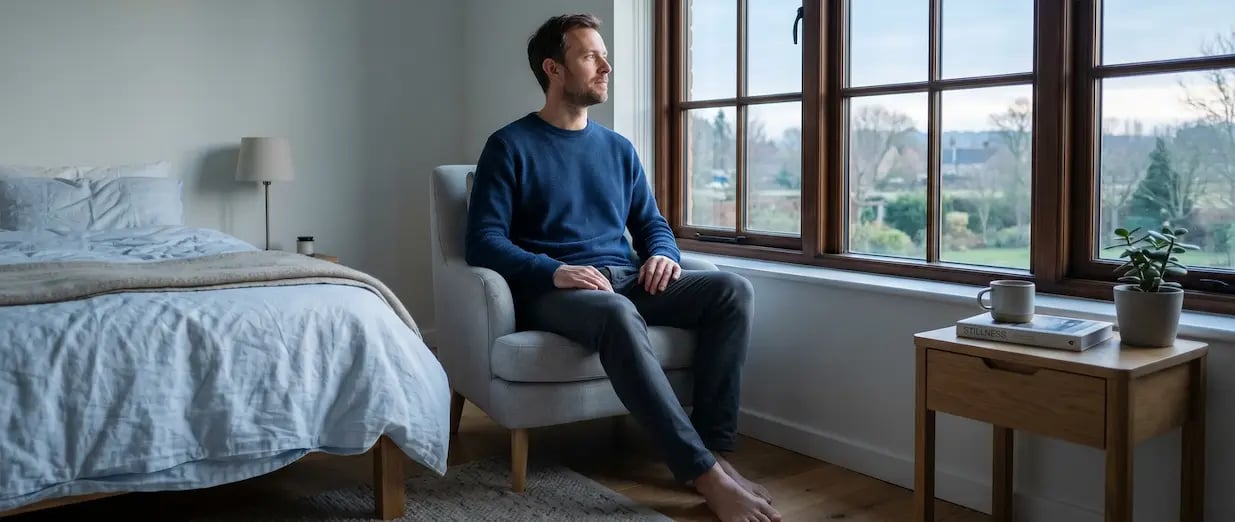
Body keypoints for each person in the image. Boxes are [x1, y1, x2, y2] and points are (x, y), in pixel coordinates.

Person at [464, 13, 780, 522]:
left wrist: (663, 254)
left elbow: (652, 222)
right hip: (558, 292)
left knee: (732, 291)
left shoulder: (618, 148)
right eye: (591, 55)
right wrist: (552, 270)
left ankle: (714, 450)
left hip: (626, 278)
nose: (606, 66)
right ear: (555, 69)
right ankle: (702, 474)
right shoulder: (509, 146)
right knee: (615, 314)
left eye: (604, 54)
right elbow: (482, 242)